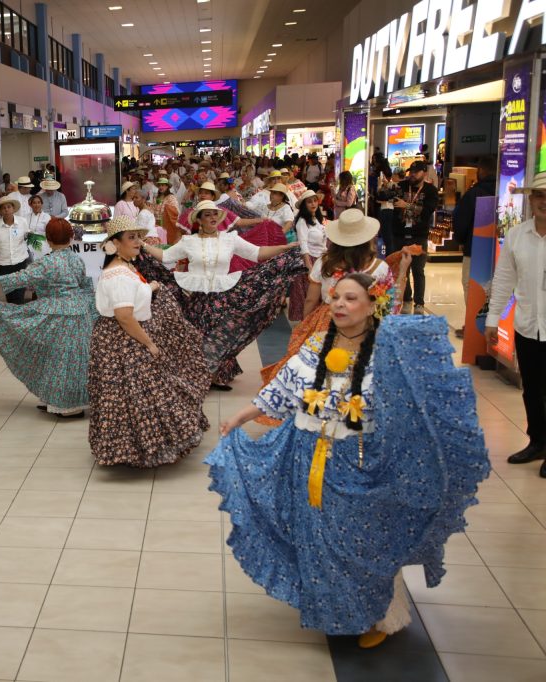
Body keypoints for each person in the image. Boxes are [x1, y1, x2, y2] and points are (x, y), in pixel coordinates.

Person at [209, 274, 489, 648]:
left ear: (372, 305)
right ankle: (336, 608)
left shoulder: (387, 352)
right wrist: (240, 417)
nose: (339, 304)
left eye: (351, 298)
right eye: (336, 297)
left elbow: (407, 405)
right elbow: (281, 391)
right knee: (318, 537)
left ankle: (381, 614)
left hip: (360, 462)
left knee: (363, 541)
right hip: (306, 456)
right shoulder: (314, 346)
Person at [140, 201, 304, 390]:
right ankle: (201, 375)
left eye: (214, 214)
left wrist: (284, 248)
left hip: (222, 295)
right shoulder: (189, 241)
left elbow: (257, 253)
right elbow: (165, 257)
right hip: (195, 297)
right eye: (207, 214)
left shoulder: (230, 239)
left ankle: (217, 374)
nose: (212, 218)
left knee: (221, 333)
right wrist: (142, 245)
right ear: (199, 220)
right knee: (199, 335)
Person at [88, 215, 210, 467]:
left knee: (133, 395)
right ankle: (137, 449)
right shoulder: (118, 274)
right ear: (114, 244)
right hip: (124, 341)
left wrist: (151, 287)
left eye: (138, 237)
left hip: (123, 337)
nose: (138, 242)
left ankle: (139, 448)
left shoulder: (126, 267)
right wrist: (149, 343)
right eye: (131, 237)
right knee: (137, 393)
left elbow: (131, 299)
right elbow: (124, 317)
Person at [260, 208, 412, 388]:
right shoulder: (379, 267)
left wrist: (305, 325)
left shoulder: (324, 262)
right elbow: (389, 307)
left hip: (327, 319)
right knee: (357, 372)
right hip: (363, 323)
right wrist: (403, 269)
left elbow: (311, 299)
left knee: (318, 370)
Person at [0, 217, 95, 417]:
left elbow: (21, 278)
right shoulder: (76, 259)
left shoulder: (47, 263)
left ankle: (64, 404)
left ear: (49, 239)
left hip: (56, 313)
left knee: (57, 358)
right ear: (71, 238)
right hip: (79, 313)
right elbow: (85, 286)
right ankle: (66, 401)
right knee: (73, 359)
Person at [486, 171, 546, 475]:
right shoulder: (517, 236)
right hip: (527, 326)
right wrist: (493, 318)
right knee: (532, 388)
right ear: (531, 199)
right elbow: (504, 280)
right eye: (539, 196)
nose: (543, 202)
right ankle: (538, 441)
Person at [451, 157, 495, 337]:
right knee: (493, 288)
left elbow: (461, 221)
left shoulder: (474, 193)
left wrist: (461, 240)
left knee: (471, 287)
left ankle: (472, 326)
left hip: (474, 248)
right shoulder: (504, 190)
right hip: (497, 250)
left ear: (482, 171)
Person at [393, 160, 437, 314]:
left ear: (424, 173)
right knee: (403, 270)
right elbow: (391, 201)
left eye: (416, 172)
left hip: (419, 235)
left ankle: (419, 303)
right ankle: (406, 299)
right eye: (411, 172)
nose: (412, 175)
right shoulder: (403, 186)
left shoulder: (431, 191)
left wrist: (408, 206)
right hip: (400, 233)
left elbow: (427, 212)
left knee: (418, 270)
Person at [289, 190, 327, 322]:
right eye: (309, 201)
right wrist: (309, 265)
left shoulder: (317, 220)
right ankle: (306, 323)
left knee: (318, 294)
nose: (313, 204)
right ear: (304, 204)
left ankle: (314, 321)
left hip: (320, 259)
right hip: (309, 259)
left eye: (315, 200)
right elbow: (303, 243)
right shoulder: (302, 222)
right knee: (308, 295)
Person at [0, 196, 31, 304]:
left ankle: (19, 316)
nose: (6, 210)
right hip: (4, 265)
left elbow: (28, 238)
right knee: (9, 295)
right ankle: (12, 315)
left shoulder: (22, 222)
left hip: (21, 263)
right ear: (0, 211)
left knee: (20, 293)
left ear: (13, 208)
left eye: (9, 207)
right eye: (3, 208)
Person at [153, 177, 182, 244]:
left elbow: (175, 211)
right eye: (159, 185)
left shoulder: (171, 197)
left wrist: (166, 209)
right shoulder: (156, 197)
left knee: (166, 241)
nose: (161, 187)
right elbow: (153, 209)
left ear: (167, 187)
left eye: (163, 185)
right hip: (156, 224)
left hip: (166, 224)